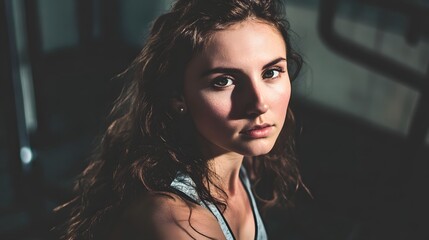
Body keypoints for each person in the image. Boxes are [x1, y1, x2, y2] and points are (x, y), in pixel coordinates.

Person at [57, 0, 306, 239]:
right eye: (223, 81)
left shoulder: (239, 165)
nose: (259, 103)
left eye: (271, 72)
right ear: (178, 97)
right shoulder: (179, 223)